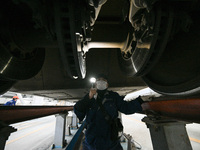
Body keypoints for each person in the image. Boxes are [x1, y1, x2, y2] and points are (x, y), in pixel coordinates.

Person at [74, 74, 146, 150]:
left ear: (107, 84)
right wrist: (88, 97)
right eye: (99, 80)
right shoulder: (89, 97)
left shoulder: (113, 96)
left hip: (110, 140)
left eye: (104, 80)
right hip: (92, 141)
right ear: (95, 84)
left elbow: (126, 108)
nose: (101, 82)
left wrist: (140, 101)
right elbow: (78, 110)